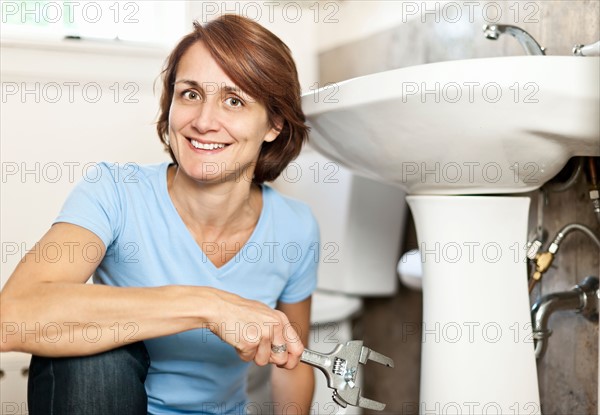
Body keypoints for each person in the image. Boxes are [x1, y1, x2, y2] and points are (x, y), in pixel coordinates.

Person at [0, 14, 319, 414]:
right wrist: (209, 306)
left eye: (234, 100)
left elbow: (292, 362)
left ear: (273, 123)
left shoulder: (296, 227)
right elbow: (12, 316)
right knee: (95, 349)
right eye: (190, 94)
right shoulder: (114, 191)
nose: (203, 121)